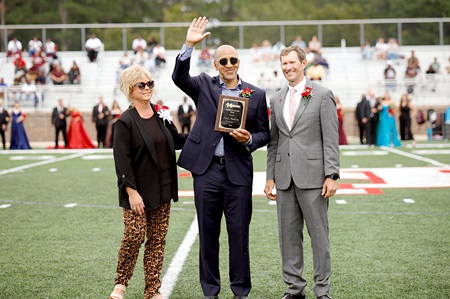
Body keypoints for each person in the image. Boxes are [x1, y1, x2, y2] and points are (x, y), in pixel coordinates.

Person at [172, 17, 270, 299]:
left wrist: (249, 139)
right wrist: (188, 45)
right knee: (208, 234)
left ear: (239, 62)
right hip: (207, 171)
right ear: (215, 64)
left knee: (239, 236)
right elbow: (179, 77)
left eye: (233, 60)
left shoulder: (257, 94)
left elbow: (265, 133)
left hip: (238, 171)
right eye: (223, 61)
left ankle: (240, 291)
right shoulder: (203, 84)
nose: (229, 65)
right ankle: (210, 291)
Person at [264, 45, 339, 299]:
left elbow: (330, 139)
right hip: (284, 179)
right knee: (288, 238)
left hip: (314, 178)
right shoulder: (276, 98)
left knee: (319, 236)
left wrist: (332, 174)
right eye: (284, 63)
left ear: (304, 63)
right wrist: (270, 176)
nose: (287, 67)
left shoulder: (322, 94)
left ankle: (322, 289)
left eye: (292, 62)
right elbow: (274, 142)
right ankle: (294, 288)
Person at [109, 64, 186, 299]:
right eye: (141, 84)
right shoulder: (125, 122)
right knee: (134, 235)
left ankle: (152, 290)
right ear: (130, 89)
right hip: (138, 192)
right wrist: (132, 192)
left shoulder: (161, 113)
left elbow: (178, 141)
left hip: (162, 188)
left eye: (150, 83)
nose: (147, 88)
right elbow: (122, 162)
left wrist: (206, 132)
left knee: (157, 240)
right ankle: (121, 283)